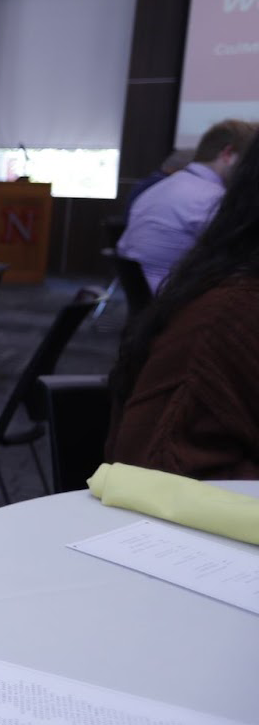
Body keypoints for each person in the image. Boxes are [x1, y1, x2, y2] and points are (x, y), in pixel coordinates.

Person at [107, 143, 259, 479]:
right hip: (184, 312)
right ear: (228, 153)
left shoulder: (156, 187)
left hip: (162, 298)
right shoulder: (229, 319)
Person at [117, 118, 257, 292]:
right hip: (176, 301)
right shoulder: (211, 199)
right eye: (250, 162)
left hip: (143, 295)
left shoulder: (162, 187)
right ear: (227, 154)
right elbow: (240, 258)